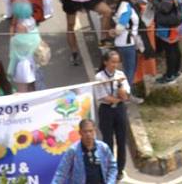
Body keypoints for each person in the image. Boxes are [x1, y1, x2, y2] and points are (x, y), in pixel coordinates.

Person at [93, 49, 135, 177]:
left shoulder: (120, 75)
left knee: (121, 140)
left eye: (117, 62)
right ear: (105, 62)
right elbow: (103, 97)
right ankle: (108, 169)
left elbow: (126, 95)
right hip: (106, 111)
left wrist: (120, 86)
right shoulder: (99, 77)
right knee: (108, 142)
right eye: (112, 62)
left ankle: (120, 170)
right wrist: (118, 99)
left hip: (120, 110)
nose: (115, 65)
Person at [50, 117, 121, 184]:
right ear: (80, 132)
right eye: (85, 131)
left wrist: (110, 182)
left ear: (94, 131)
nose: (88, 134)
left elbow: (112, 167)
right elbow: (62, 173)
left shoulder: (103, 147)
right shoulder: (73, 151)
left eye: (90, 131)